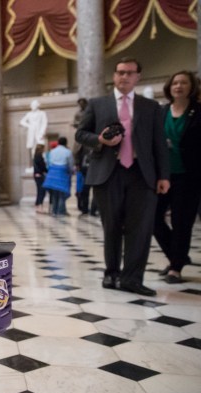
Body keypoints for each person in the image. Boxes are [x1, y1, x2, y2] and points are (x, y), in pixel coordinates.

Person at [75, 57, 170, 296]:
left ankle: (132, 279)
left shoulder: (151, 107)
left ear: (138, 76)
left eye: (129, 73)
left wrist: (164, 176)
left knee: (141, 229)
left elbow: (159, 143)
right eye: (119, 72)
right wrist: (100, 140)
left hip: (142, 174)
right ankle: (111, 273)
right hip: (108, 173)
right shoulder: (98, 104)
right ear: (114, 76)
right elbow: (80, 134)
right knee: (112, 227)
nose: (124, 77)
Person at [153, 70, 201, 284]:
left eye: (183, 83)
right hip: (163, 175)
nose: (179, 86)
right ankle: (178, 255)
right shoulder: (161, 112)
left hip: (188, 176)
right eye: (175, 83)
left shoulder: (198, 112)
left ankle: (176, 267)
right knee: (153, 219)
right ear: (169, 87)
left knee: (182, 222)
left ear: (192, 87)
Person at [42, 137, 74, 216]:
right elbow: (70, 164)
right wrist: (71, 171)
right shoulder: (68, 152)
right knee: (61, 193)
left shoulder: (52, 151)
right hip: (62, 173)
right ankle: (60, 211)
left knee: (54, 193)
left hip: (52, 173)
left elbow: (48, 163)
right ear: (66, 143)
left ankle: (54, 211)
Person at [20, 99, 48, 167]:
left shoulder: (42, 113)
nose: (32, 106)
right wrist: (29, 126)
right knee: (33, 149)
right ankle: (35, 166)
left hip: (39, 132)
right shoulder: (29, 114)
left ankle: (43, 165)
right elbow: (22, 121)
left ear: (37, 105)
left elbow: (44, 123)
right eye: (32, 105)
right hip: (32, 132)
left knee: (41, 148)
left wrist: (42, 132)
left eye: (34, 105)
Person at [32, 143, 47, 213]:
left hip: (37, 174)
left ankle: (37, 204)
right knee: (41, 191)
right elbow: (42, 166)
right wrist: (46, 170)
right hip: (39, 175)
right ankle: (39, 205)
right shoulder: (39, 156)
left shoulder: (36, 156)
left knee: (39, 191)